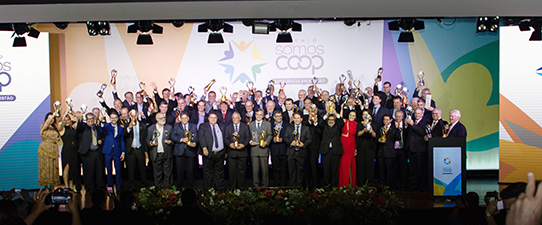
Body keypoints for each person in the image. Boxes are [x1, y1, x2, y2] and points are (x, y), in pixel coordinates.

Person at [77, 113, 105, 193]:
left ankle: (100, 188)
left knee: (99, 172)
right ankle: (90, 189)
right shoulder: (83, 128)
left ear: (94, 119)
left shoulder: (98, 128)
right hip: (88, 153)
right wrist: (80, 119)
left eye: (92, 119)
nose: (90, 120)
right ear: (86, 120)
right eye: (88, 119)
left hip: (97, 152)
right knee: (89, 172)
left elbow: (103, 136)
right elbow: (79, 127)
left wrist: (101, 140)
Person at [317, 103, 344, 187]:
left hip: (335, 151)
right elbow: (320, 123)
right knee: (326, 170)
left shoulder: (337, 126)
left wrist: (335, 113)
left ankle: (334, 186)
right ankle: (326, 186)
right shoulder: (324, 126)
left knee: (334, 169)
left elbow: (342, 122)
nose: (331, 121)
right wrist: (327, 113)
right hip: (325, 151)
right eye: (329, 119)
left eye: (332, 119)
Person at [283, 112, 312, 188]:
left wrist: (304, 144)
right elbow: (285, 137)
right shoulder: (289, 127)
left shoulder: (306, 128)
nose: (296, 120)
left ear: (301, 119)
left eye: (298, 118)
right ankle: (292, 187)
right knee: (291, 171)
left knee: (300, 171)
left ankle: (300, 187)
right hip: (291, 153)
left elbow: (309, 139)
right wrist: (290, 142)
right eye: (295, 118)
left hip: (301, 152)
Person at [198, 112, 226, 190]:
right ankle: (209, 191)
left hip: (220, 154)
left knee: (220, 173)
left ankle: (220, 191)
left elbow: (224, 139)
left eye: (215, 117)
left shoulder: (221, 126)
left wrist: (225, 152)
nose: (213, 119)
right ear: (208, 118)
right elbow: (201, 137)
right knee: (208, 174)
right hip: (209, 153)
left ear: (217, 118)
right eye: (211, 117)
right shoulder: (203, 126)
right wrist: (204, 148)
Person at [224, 112, 251, 189]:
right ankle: (232, 188)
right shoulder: (228, 127)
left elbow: (248, 137)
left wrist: (243, 145)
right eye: (233, 118)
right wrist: (230, 144)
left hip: (242, 152)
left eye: (236, 117)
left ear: (240, 118)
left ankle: (241, 187)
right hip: (231, 153)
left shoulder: (245, 127)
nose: (235, 119)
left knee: (242, 171)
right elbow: (225, 138)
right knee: (232, 171)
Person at [171, 113, 198, 188]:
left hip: (190, 151)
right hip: (179, 151)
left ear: (188, 118)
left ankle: (189, 187)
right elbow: (173, 136)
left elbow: (196, 137)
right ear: (180, 119)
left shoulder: (193, 126)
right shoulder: (176, 126)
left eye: (186, 118)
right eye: (182, 118)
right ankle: (179, 187)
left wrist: (195, 143)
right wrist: (181, 139)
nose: (184, 119)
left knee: (190, 171)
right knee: (179, 171)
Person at [124, 109, 148, 192]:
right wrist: (129, 128)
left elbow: (145, 139)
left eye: (135, 115)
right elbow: (124, 135)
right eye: (131, 115)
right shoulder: (126, 124)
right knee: (130, 170)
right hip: (130, 150)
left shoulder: (143, 125)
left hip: (139, 149)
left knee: (142, 169)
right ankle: (131, 187)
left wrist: (145, 151)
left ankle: (144, 185)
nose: (133, 116)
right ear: (129, 115)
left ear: (137, 115)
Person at [147, 113, 173, 189]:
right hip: (156, 154)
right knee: (157, 173)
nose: (163, 119)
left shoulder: (169, 127)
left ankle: (167, 189)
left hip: (166, 153)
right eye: (161, 118)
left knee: (167, 173)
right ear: (157, 119)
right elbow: (147, 141)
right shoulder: (151, 128)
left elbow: (174, 139)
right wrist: (150, 144)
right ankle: (159, 189)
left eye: (164, 117)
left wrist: (170, 142)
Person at [100, 111, 125, 191]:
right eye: (112, 118)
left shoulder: (121, 128)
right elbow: (101, 129)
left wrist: (123, 152)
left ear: (117, 118)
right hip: (108, 151)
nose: (113, 119)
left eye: (115, 117)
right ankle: (110, 186)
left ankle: (118, 187)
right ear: (110, 118)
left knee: (118, 170)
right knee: (109, 170)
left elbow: (122, 141)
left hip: (117, 151)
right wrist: (102, 122)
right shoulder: (106, 126)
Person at [406, 107, 428, 192]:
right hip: (411, 149)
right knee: (412, 169)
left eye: (419, 113)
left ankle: (421, 186)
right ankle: (414, 185)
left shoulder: (425, 123)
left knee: (421, 169)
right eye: (416, 113)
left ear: (422, 114)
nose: (417, 115)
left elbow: (422, 132)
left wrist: (413, 125)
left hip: (420, 149)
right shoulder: (412, 122)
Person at [248, 109, 272, 187]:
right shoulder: (250, 125)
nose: (259, 116)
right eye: (257, 114)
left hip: (263, 150)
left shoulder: (267, 124)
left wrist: (266, 142)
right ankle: (256, 187)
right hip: (254, 150)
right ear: (255, 115)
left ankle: (265, 187)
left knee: (265, 171)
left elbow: (270, 135)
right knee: (255, 171)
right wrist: (250, 142)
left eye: (261, 114)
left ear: (263, 115)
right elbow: (247, 136)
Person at [58, 110, 81, 191]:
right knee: (66, 167)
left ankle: (71, 185)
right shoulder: (62, 129)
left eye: (68, 120)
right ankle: (66, 185)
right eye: (65, 120)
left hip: (74, 150)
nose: (67, 121)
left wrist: (72, 114)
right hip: (67, 150)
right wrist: (65, 114)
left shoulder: (72, 128)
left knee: (73, 168)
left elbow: (78, 122)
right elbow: (60, 125)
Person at [375, 113, 399, 187]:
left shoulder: (394, 128)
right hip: (381, 152)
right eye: (384, 119)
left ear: (391, 120)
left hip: (389, 152)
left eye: (387, 120)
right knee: (381, 170)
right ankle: (382, 185)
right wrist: (378, 140)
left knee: (389, 170)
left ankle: (389, 186)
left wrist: (397, 128)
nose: (385, 121)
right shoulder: (380, 128)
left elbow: (398, 138)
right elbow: (376, 139)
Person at [38, 112, 61, 187]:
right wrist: (53, 115)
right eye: (49, 118)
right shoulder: (44, 126)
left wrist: (57, 139)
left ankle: (52, 187)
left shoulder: (55, 128)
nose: (51, 120)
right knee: (45, 169)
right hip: (45, 150)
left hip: (53, 149)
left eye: (53, 119)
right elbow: (46, 125)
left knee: (53, 169)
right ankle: (46, 188)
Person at [356, 109, 377, 186]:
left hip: (370, 147)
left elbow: (375, 136)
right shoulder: (359, 124)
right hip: (361, 146)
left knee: (369, 166)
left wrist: (371, 130)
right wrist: (364, 130)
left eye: (366, 114)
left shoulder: (373, 124)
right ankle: (361, 184)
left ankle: (370, 184)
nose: (365, 116)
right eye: (363, 114)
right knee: (361, 166)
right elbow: (357, 134)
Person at [270, 110, 289, 187]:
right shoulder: (270, 125)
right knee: (275, 169)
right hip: (274, 150)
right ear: (274, 117)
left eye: (280, 116)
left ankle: (283, 186)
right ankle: (276, 186)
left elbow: (289, 136)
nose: (279, 118)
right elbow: (267, 136)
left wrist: (283, 139)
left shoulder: (287, 125)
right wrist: (272, 139)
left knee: (284, 169)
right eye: (277, 116)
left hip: (284, 150)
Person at [338, 111, 358, 188]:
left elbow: (357, 137)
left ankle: (352, 184)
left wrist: (356, 148)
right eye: (350, 115)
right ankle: (343, 184)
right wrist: (342, 108)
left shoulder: (357, 124)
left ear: (355, 117)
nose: (351, 117)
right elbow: (339, 117)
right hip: (344, 145)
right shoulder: (345, 121)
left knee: (351, 165)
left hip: (352, 145)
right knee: (343, 164)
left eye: (353, 115)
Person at [393, 110, 409, 190]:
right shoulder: (392, 125)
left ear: (402, 117)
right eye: (396, 116)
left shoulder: (406, 125)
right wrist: (395, 129)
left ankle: (403, 185)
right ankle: (396, 185)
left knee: (403, 168)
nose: (398, 118)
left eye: (399, 116)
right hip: (394, 149)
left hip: (403, 149)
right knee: (395, 168)